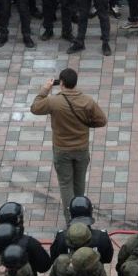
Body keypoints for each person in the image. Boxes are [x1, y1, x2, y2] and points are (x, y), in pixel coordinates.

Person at [30, 69, 108, 213]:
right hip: (81, 149)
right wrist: (87, 125)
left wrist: (45, 89)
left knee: (66, 185)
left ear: (62, 83)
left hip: (62, 150)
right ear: (75, 83)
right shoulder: (87, 101)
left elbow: (35, 108)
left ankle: (71, 221)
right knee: (79, 185)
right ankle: (81, 214)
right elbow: (102, 121)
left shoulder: (54, 101)